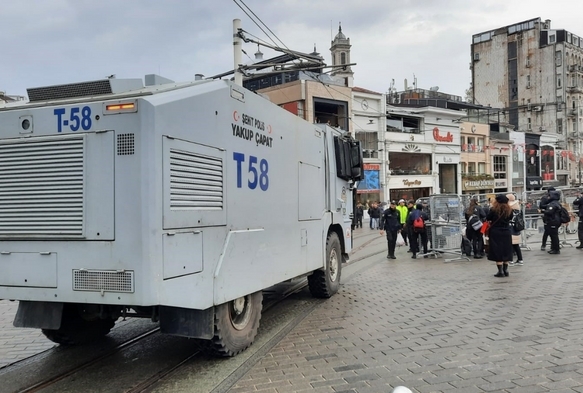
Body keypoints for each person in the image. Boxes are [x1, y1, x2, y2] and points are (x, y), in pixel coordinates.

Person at [486, 194, 514, 277]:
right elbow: (510, 218)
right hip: (506, 232)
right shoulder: (509, 210)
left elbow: (488, 218)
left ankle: (500, 271)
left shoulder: (494, 210)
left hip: (496, 232)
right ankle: (506, 270)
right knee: (506, 250)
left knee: (497, 250)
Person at [506, 194, 524, 266]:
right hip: (517, 228)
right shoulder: (518, 209)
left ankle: (510, 260)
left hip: (510, 228)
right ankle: (520, 259)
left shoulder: (509, 209)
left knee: (509, 245)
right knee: (516, 245)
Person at [543, 190, 562, 254]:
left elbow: (549, 212)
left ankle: (556, 249)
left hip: (553, 221)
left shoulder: (553, 204)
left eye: (549, 196)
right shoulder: (555, 203)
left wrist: (543, 211)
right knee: (552, 235)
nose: (548, 197)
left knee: (554, 236)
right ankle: (554, 248)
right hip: (553, 220)